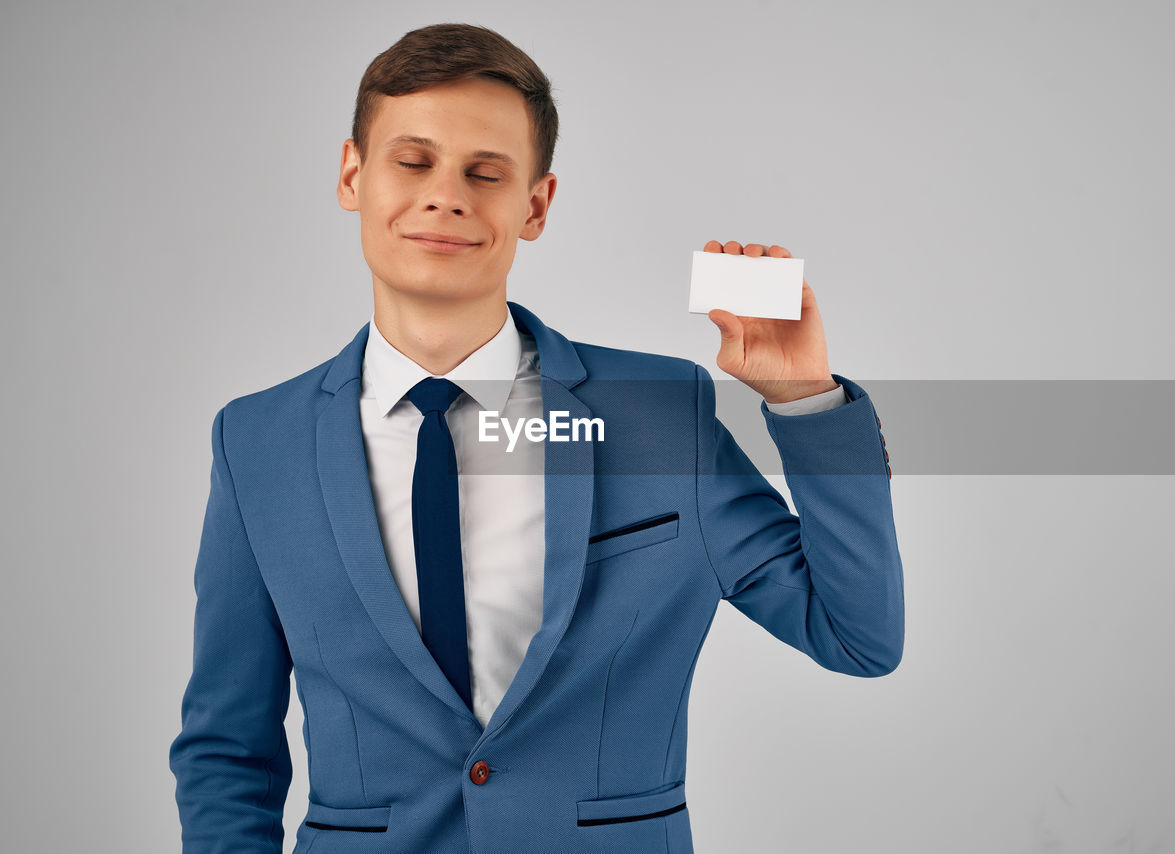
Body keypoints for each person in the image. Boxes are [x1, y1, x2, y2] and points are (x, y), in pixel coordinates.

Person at [168, 22, 904, 853]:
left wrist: (806, 404)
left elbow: (857, 636)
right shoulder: (255, 441)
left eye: (486, 173)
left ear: (536, 205)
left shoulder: (658, 410)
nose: (446, 195)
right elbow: (229, 750)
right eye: (413, 162)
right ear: (353, 175)